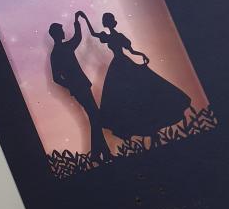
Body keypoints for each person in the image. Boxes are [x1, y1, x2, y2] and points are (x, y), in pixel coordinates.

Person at [80, 11, 191, 149]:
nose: (108, 22)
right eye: (107, 20)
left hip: (123, 64)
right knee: (127, 96)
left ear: (110, 23)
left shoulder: (119, 36)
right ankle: (149, 131)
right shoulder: (110, 36)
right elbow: (94, 34)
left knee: (139, 93)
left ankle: (152, 131)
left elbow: (131, 50)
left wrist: (142, 55)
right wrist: (85, 18)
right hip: (120, 65)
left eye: (108, 20)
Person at [49, 12, 112, 163]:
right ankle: (98, 154)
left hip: (80, 86)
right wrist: (71, 85)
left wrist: (77, 21)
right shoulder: (60, 51)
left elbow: (77, 38)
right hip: (80, 88)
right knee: (95, 117)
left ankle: (103, 154)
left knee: (95, 117)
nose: (64, 32)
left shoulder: (60, 50)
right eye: (61, 30)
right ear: (57, 34)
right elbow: (56, 77)